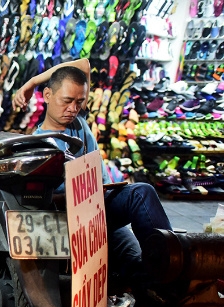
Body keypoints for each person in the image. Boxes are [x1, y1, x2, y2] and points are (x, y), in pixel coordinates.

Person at [12, 58, 172, 289]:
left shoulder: (78, 124)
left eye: (78, 102)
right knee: (140, 195)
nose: (73, 108)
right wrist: (75, 195)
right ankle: (173, 263)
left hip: (104, 209)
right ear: (47, 96)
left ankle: (168, 291)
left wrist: (31, 83)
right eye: (66, 101)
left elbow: (84, 65)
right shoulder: (38, 146)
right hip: (78, 216)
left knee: (141, 265)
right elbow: (44, 202)